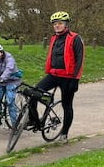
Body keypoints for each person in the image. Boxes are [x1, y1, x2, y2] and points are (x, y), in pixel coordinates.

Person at [30, 11, 84, 142]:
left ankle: (64, 133)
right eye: (55, 24)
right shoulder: (54, 38)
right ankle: (34, 121)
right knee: (33, 93)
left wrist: (75, 80)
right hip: (53, 74)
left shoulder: (75, 38)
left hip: (68, 78)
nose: (57, 26)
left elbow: (79, 60)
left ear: (66, 24)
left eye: (60, 23)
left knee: (67, 105)